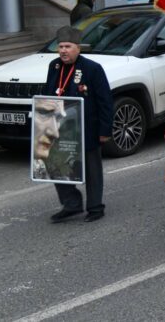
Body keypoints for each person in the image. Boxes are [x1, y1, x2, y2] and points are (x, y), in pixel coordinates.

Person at [45, 26, 112, 223]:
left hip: (87, 128)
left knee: (91, 169)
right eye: (60, 46)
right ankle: (71, 204)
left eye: (68, 46)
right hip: (60, 128)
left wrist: (104, 130)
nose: (63, 50)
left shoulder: (92, 69)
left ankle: (95, 207)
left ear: (78, 48)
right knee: (56, 165)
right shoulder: (53, 66)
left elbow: (105, 101)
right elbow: (47, 93)